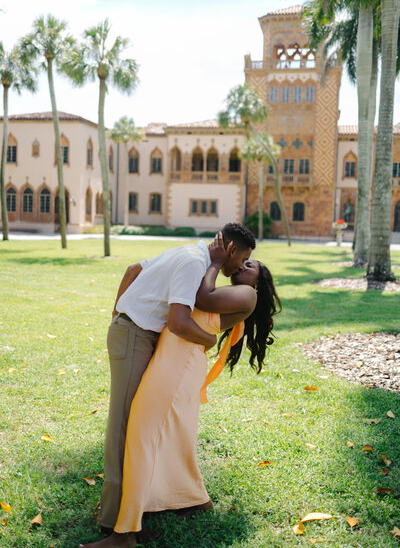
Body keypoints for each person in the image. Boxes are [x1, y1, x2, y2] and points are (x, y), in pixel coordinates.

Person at [81, 234, 281, 548]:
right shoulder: (219, 280)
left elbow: (201, 299)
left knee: (140, 436)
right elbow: (185, 293)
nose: (244, 265)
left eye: (250, 265)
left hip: (178, 364)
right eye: (243, 260)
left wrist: (215, 263)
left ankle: (124, 535)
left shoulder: (246, 294)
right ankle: (190, 500)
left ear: (259, 281)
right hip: (172, 360)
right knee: (157, 436)